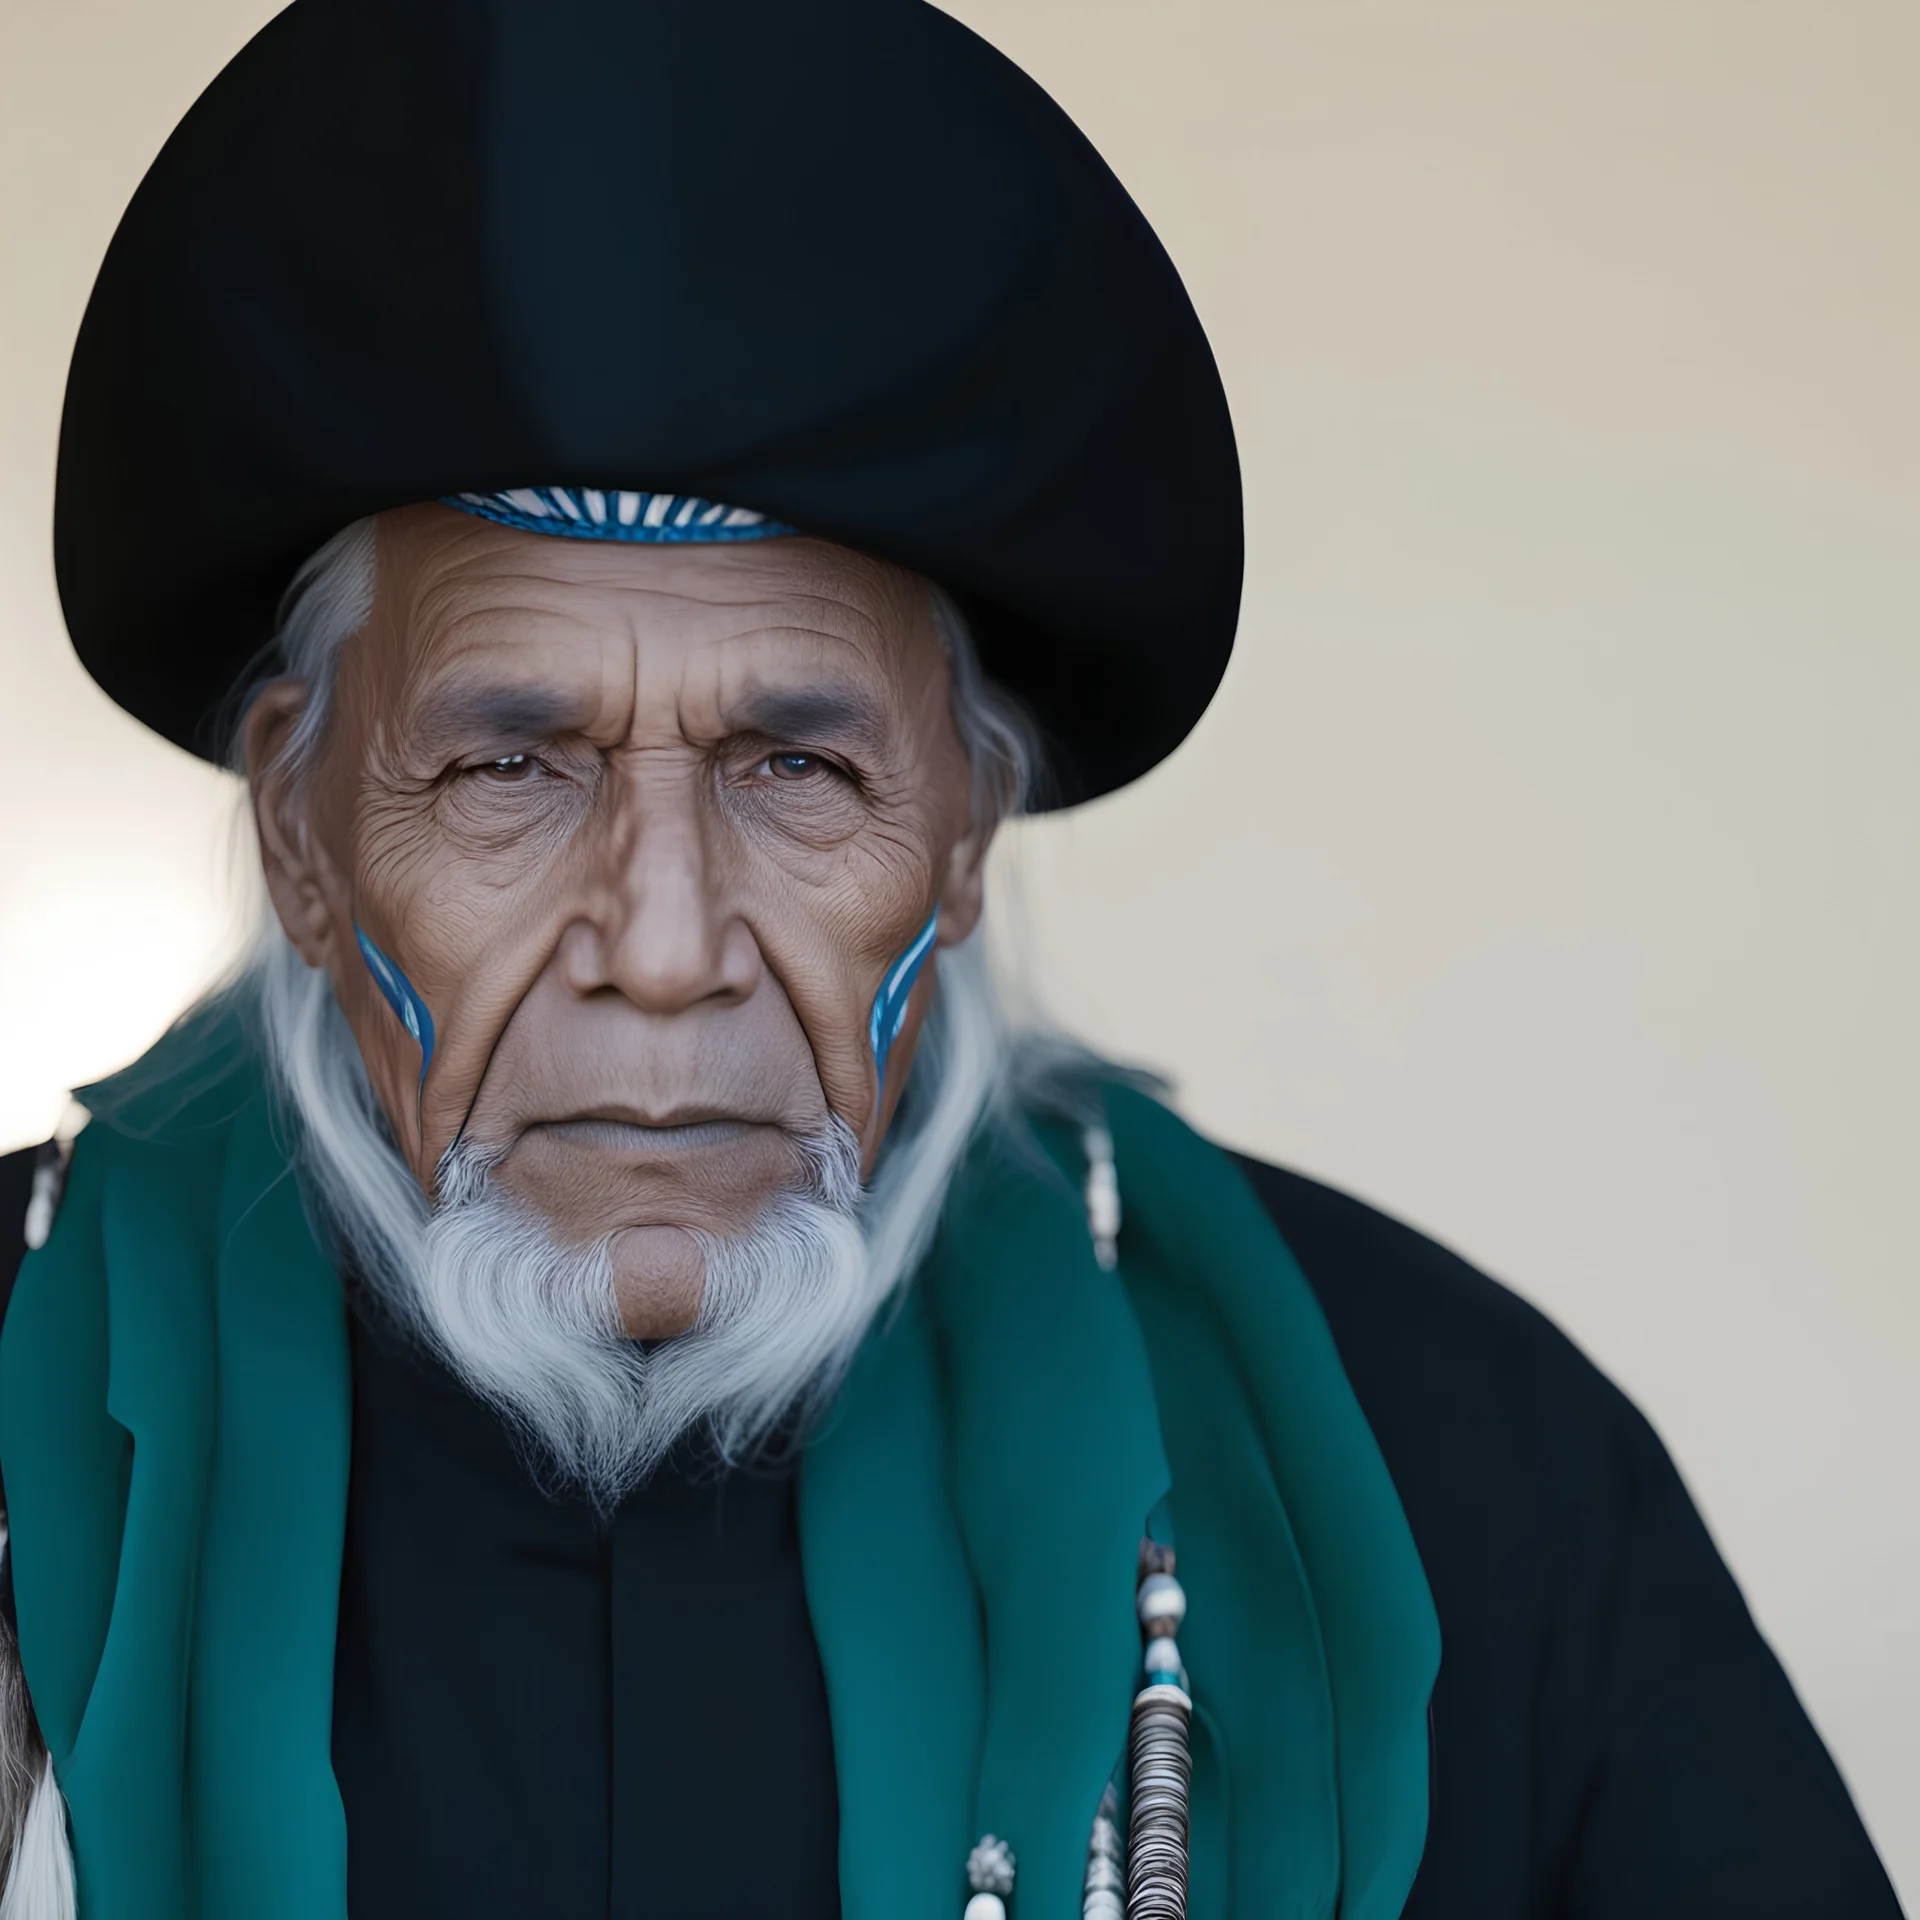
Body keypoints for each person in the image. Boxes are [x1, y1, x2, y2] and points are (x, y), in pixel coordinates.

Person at [0, 2, 1901, 1916]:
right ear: (304, 839)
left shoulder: (1465, 1473)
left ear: (967, 837)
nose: (664, 953)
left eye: (800, 770)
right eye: (509, 766)